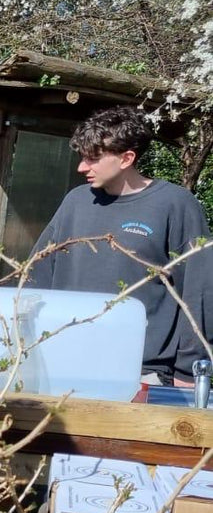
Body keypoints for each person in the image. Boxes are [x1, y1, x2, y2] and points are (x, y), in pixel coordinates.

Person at [28, 106, 210, 385]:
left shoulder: (176, 205)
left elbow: (199, 293)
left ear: (127, 158)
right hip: (64, 362)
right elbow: (36, 276)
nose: (81, 167)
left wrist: (189, 371)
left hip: (142, 372)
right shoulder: (76, 202)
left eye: (93, 159)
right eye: (82, 158)